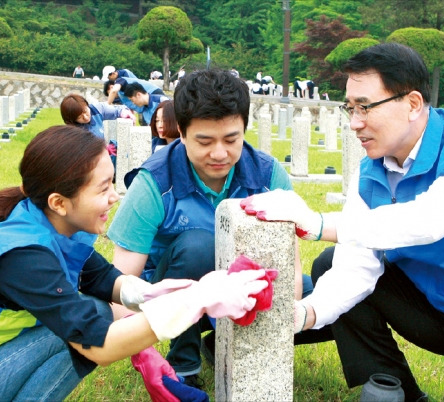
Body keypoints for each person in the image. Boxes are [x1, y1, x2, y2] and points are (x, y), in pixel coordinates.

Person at [241, 43, 444, 401]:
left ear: (412, 104)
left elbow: (430, 219)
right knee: (333, 262)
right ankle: (395, 390)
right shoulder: (370, 173)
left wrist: (318, 223)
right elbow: (356, 269)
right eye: (350, 108)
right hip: (437, 312)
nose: (355, 123)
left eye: (365, 107)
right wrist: (303, 314)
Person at [0, 125, 269, 401]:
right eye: (103, 189)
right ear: (59, 203)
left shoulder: (40, 221)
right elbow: (98, 344)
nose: (114, 197)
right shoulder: (23, 258)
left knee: (93, 309)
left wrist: (150, 294)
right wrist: (191, 303)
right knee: (85, 323)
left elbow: (100, 277)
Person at [107, 69, 312, 388]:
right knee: (199, 247)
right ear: (182, 133)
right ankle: (184, 364)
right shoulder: (154, 183)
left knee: (322, 291)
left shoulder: (269, 177)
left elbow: (289, 267)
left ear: (245, 128)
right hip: (172, 295)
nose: (220, 153)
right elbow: (121, 281)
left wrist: (284, 322)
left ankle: (231, 346)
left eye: (232, 140)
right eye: (205, 141)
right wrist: (140, 349)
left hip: (242, 287)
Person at [60, 93, 135, 140]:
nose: (86, 118)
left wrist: (124, 112)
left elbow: (117, 110)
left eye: (85, 112)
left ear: (87, 105)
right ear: (72, 120)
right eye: (79, 117)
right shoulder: (73, 133)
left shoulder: (96, 109)